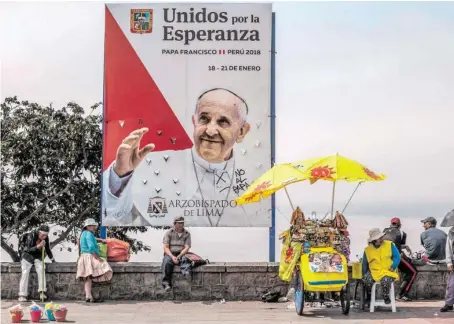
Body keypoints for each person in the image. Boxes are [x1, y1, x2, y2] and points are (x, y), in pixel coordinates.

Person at [101, 88, 269, 227]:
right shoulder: (151, 166)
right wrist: (120, 175)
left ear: (241, 132)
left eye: (223, 122)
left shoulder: (258, 181)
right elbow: (118, 219)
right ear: (194, 122)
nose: (210, 130)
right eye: (204, 119)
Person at [76, 218, 113, 303]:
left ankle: (88, 296)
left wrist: (99, 239)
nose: (94, 227)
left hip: (83, 256)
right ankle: (89, 296)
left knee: (87, 278)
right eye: (93, 226)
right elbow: (91, 247)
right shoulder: (89, 234)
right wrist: (97, 257)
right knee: (103, 265)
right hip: (89, 256)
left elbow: (89, 240)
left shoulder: (84, 233)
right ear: (88, 226)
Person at [362, 228, 401, 305]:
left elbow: (397, 257)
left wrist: (393, 266)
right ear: (373, 240)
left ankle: (386, 296)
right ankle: (369, 297)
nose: (381, 239)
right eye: (378, 238)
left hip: (388, 271)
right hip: (374, 272)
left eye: (381, 237)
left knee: (386, 280)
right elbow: (364, 263)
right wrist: (364, 274)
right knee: (366, 280)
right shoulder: (367, 250)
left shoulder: (390, 245)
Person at [383, 217, 417, 301]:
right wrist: (406, 249)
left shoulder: (384, 231)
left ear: (390, 224)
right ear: (400, 225)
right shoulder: (402, 233)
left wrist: (405, 247)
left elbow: (393, 244)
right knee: (413, 272)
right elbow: (397, 249)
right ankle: (402, 294)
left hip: (385, 258)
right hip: (395, 257)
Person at [18, 225, 55, 302]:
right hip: (27, 256)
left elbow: (47, 248)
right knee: (25, 272)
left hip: (37, 256)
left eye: (46, 235)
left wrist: (52, 259)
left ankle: (42, 292)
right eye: (43, 235)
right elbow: (28, 249)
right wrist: (38, 246)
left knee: (41, 269)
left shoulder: (45, 237)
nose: (44, 237)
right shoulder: (31, 235)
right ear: (39, 232)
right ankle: (22, 295)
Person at [162, 216, 192, 292]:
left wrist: (179, 256)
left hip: (181, 253)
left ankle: (187, 273)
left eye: (182, 223)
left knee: (186, 259)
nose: (181, 225)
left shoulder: (187, 233)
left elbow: (187, 247)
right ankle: (166, 283)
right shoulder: (169, 233)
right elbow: (165, 247)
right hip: (170, 253)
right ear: (175, 224)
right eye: (179, 223)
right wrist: (172, 257)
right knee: (167, 262)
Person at [440, 225, 454, 312]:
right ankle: (449, 304)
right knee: (451, 284)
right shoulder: (452, 232)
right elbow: (448, 248)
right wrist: (449, 262)